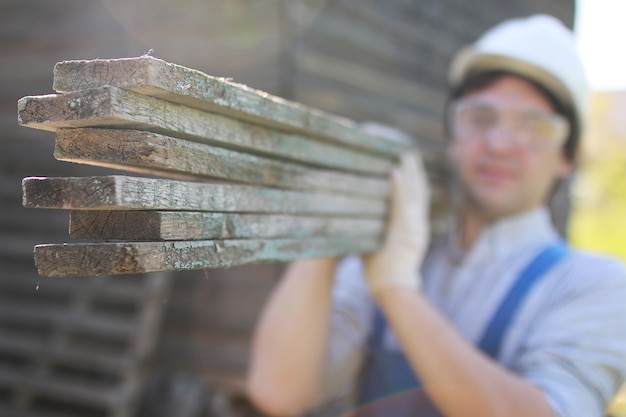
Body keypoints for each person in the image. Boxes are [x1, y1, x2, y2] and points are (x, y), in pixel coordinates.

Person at [245, 14, 626, 417]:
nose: (499, 144)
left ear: (567, 156)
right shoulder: (396, 252)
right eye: (481, 118)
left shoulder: (596, 287)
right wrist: (331, 226)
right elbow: (279, 393)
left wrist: (396, 290)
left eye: (532, 127)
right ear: (453, 135)